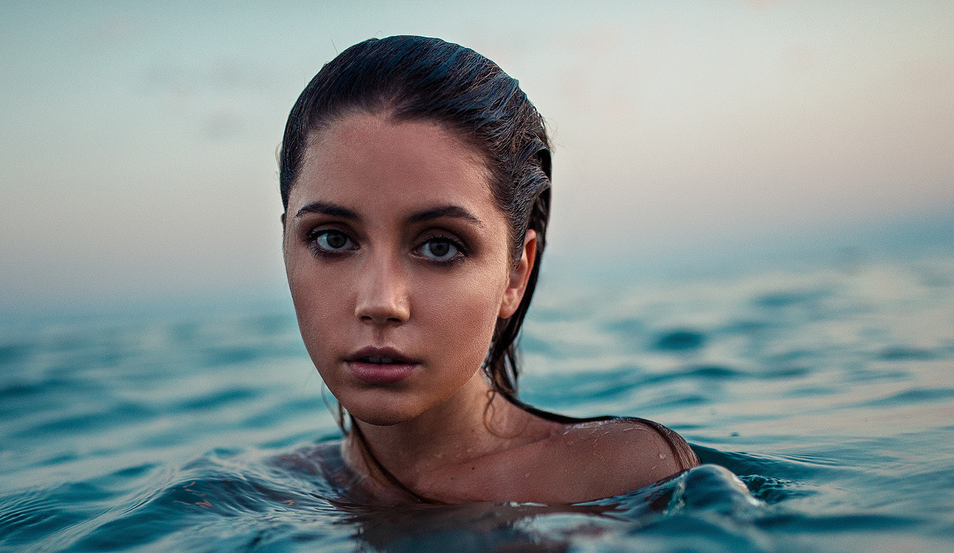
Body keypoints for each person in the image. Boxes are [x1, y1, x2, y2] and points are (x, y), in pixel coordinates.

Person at [280, 35, 697, 505]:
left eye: (439, 247)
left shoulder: (619, 475)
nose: (380, 302)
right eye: (332, 239)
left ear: (515, 275)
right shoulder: (256, 497)